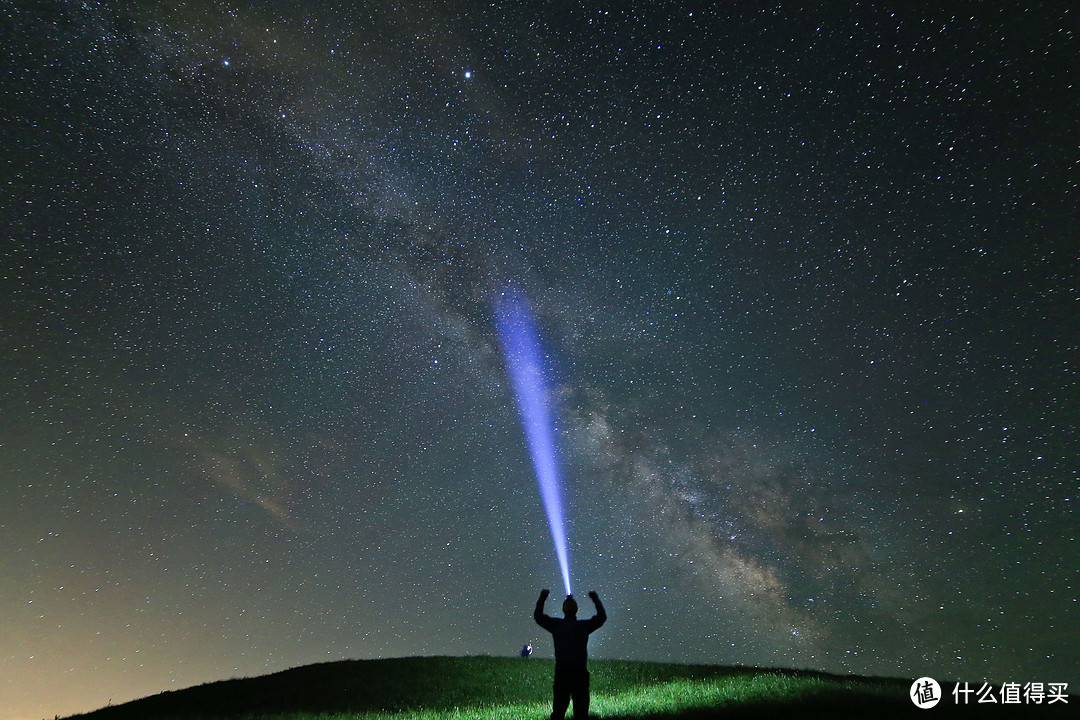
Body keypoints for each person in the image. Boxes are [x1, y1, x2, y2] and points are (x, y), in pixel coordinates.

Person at [534, 588, 606, 720]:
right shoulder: (583, 627)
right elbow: (602, 618)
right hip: (579, 674)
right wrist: (595, 599)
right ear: (576, 610)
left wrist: (543, 597)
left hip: (563, 674)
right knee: (581, 713)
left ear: (563, 610)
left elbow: (538, 617)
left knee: (558, 713)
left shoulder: (557, 626)